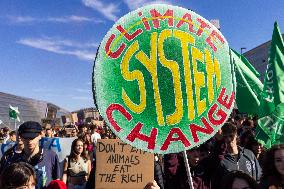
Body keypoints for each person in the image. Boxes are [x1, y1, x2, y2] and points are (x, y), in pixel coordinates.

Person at [0, 121, 60, 189]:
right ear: (21, 137)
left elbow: (56, 181)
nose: (29, 141)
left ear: (40, 135)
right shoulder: (12, 160)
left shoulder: (51, 156)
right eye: (26, 138)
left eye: (32, 138)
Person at [212, 122, 262, 188]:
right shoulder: (220, 160)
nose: (228, 139)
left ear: (236, 135)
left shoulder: (249, 154)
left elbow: (259, 177)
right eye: (225, 137)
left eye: (231, 136)